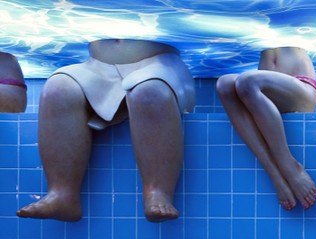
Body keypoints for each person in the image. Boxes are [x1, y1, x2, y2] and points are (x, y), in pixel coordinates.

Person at [17, 39, 195, 222]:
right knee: (57, 88)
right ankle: (61, 194)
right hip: (97, 66)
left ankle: (158, 192)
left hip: (160, 62)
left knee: (148, 91)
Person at [216, 47, 316, 211]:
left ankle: (289, 165)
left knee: (247, 80)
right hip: (263, 93)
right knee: (225, 84)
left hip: (300, 88)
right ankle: (276, 176)